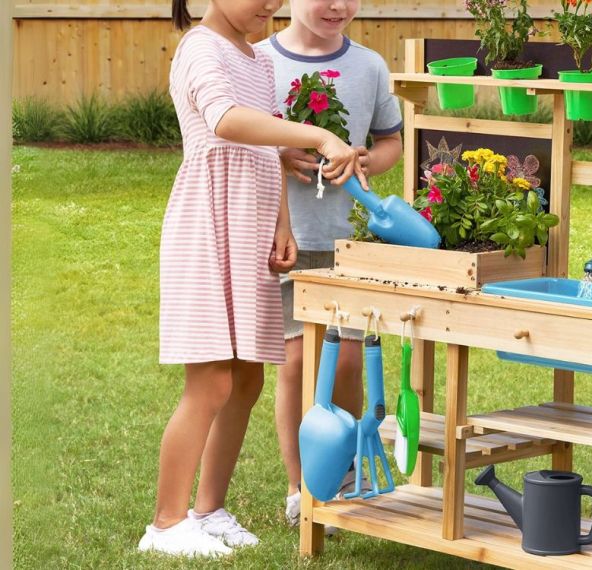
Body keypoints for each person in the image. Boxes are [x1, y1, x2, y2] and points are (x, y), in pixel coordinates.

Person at [138, 0, 367, 557]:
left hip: (251, 228)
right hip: (209, 226)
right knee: (212, 380)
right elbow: (223, 119)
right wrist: (315, 134)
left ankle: (209, 509)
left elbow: (265, 149)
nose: (273, 4)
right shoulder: (200, 47)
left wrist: (282, 224)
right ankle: (166, 524)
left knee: (246, 379)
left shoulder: (258, 60)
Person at [256, 0, 403, 527]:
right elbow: (237, 138)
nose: (338, 5)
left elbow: (391, 140)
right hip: (291, 240)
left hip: (350, 242)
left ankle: (340, 474)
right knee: (297, 363)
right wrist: (278, 153)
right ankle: (301, 484)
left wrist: (365, 159)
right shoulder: (258, 63)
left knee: (346, 362)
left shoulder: (368, 66)